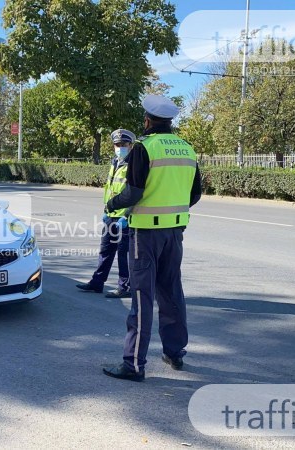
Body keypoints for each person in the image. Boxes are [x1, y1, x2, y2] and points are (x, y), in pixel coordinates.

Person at [102, 95, 203, 382]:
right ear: (170, 121)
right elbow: (195, 194)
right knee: (171, 293)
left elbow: (133, 192)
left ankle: (134, 364)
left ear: (147, 120)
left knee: (141, 296)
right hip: (175, 232)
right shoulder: (187, 148)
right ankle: (174, 353)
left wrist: (112, 204)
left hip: (145, 233)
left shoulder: (144, 148)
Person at [76, 129, 135, 298]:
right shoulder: (115, 161)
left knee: (124, 253)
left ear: (131, 145)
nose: (120, 147)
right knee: (106, 250)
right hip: (111, 214)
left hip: (125, 217)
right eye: (117, 145)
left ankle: (125, 287)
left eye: (123, 144)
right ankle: (97, 282)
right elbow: (110, 189)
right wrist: (106, 210)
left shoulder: (134, 163)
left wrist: (126, 215)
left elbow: (135, 192)